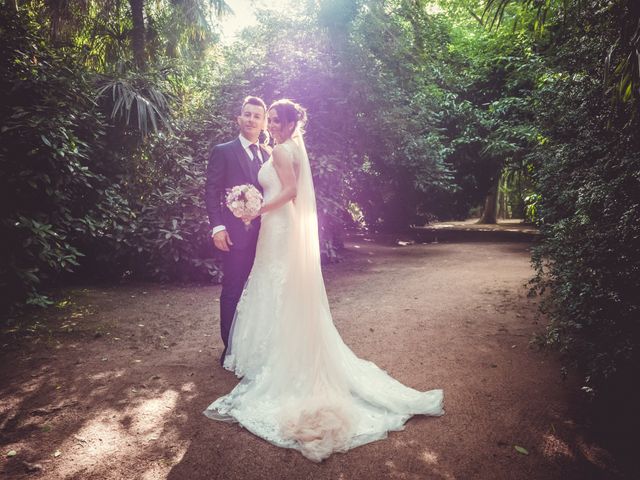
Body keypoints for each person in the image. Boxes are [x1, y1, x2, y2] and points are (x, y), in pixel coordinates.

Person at [204, 99, 443, 462]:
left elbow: (289, 192)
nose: (264, 122)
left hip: (276, 226)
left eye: (270, 118)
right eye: (259, 116)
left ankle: (274, 358)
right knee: (265, 286)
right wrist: (239, 214)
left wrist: (258, 208)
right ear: (242, 118)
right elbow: (234, 188)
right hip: (270, 230)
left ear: (285, 123)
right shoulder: (272, 149)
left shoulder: (281, 151)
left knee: (276, 285)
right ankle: (252, 353)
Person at [204, 96, 270, 364]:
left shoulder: (268, 154)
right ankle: (230, 349)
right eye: (247, 114)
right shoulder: (224, 150)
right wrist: (217, 227)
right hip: (234, 235)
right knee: (233, 289)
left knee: (261, 289)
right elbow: (212, 190)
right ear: (238, 119)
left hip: (267, 236)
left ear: (263, 121)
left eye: (257, 115)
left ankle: (255, 346)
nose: (252, 119)